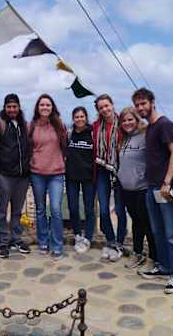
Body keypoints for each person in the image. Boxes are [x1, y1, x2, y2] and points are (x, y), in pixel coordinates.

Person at [133, 88, 173, 294]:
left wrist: (167, 182)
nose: (140, 108)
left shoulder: (165, 124)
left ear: (152, 102)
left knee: (172, 233)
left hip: (165, 187)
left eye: (143, 103)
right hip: (151, 186)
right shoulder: (151, 127)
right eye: (137, 105)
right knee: (158, 231)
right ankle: (164, 266)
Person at [0, 94, 31, 259]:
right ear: (5, 107)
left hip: (22, 175)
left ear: (19, 107)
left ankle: (16, 238)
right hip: (5, 174)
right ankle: (2, 241)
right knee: (1, 210)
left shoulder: (24, 124)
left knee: (17, 211)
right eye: (9, 106)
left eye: (15, 106)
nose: (12, 109)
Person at [116, 107, 156, 269]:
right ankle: (137, 253)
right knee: (136, 223)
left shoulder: (146, 136)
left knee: (147, 224)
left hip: (142, 188)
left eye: (130, 119)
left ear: (137, 119)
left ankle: (154, 258)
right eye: (124, 120)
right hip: (127, 189)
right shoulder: (124, 139)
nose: (127, 123)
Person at [29, 94, 67, 260]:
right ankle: (43, 242)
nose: (45, 107)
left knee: (56, 210)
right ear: (38, 107)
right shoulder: (30, 126)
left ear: (52, 108)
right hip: (37, 173)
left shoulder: (60, 125)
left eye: (48, 105)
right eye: (42, 105)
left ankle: (57, 244)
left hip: (56, 174)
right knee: (40, 209)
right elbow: (28, 148)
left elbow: (65, 147)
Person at [93, 94, 127, 262]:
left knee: (120, 210)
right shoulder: (96, 126)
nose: (104, 109)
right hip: (101, 170)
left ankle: (120, 242)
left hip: (121, 171)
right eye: (101, 107)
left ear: (112, 104)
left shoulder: (124, 123)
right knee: (104, 210)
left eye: (107, 105)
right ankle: (111, 240)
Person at [65, 107, 95, 253]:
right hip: (71, 177)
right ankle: (77, 234)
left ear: (86, 117)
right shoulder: (69, 134)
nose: (79, 119)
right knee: (73, 207)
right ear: (73, 118)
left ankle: (88, 237)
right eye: (77, 117)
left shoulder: (92, 133)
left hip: (89, 177)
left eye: (82, 116)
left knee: (89, 209)